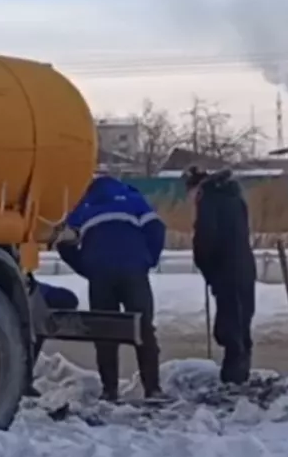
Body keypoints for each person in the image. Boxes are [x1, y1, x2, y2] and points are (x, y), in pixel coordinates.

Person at [54, 174, 167, 401]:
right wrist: (148, 259)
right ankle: (153, 389)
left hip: (101, 276)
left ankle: (110, 390)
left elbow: (64, 241)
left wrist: (87, 267)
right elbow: (157, 228)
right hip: (134, 273)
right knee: (143, 328)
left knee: (105, 331)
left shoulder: (83, 204)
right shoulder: (133, 198)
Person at [183, 166, 258, 385]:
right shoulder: (235, 197)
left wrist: (204, 263)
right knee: (240, 321)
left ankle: (233, 378)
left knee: (229, 328)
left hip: (224, 267)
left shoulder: (209, 200)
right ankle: (240, 373)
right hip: (243, 264)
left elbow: (206, 237)